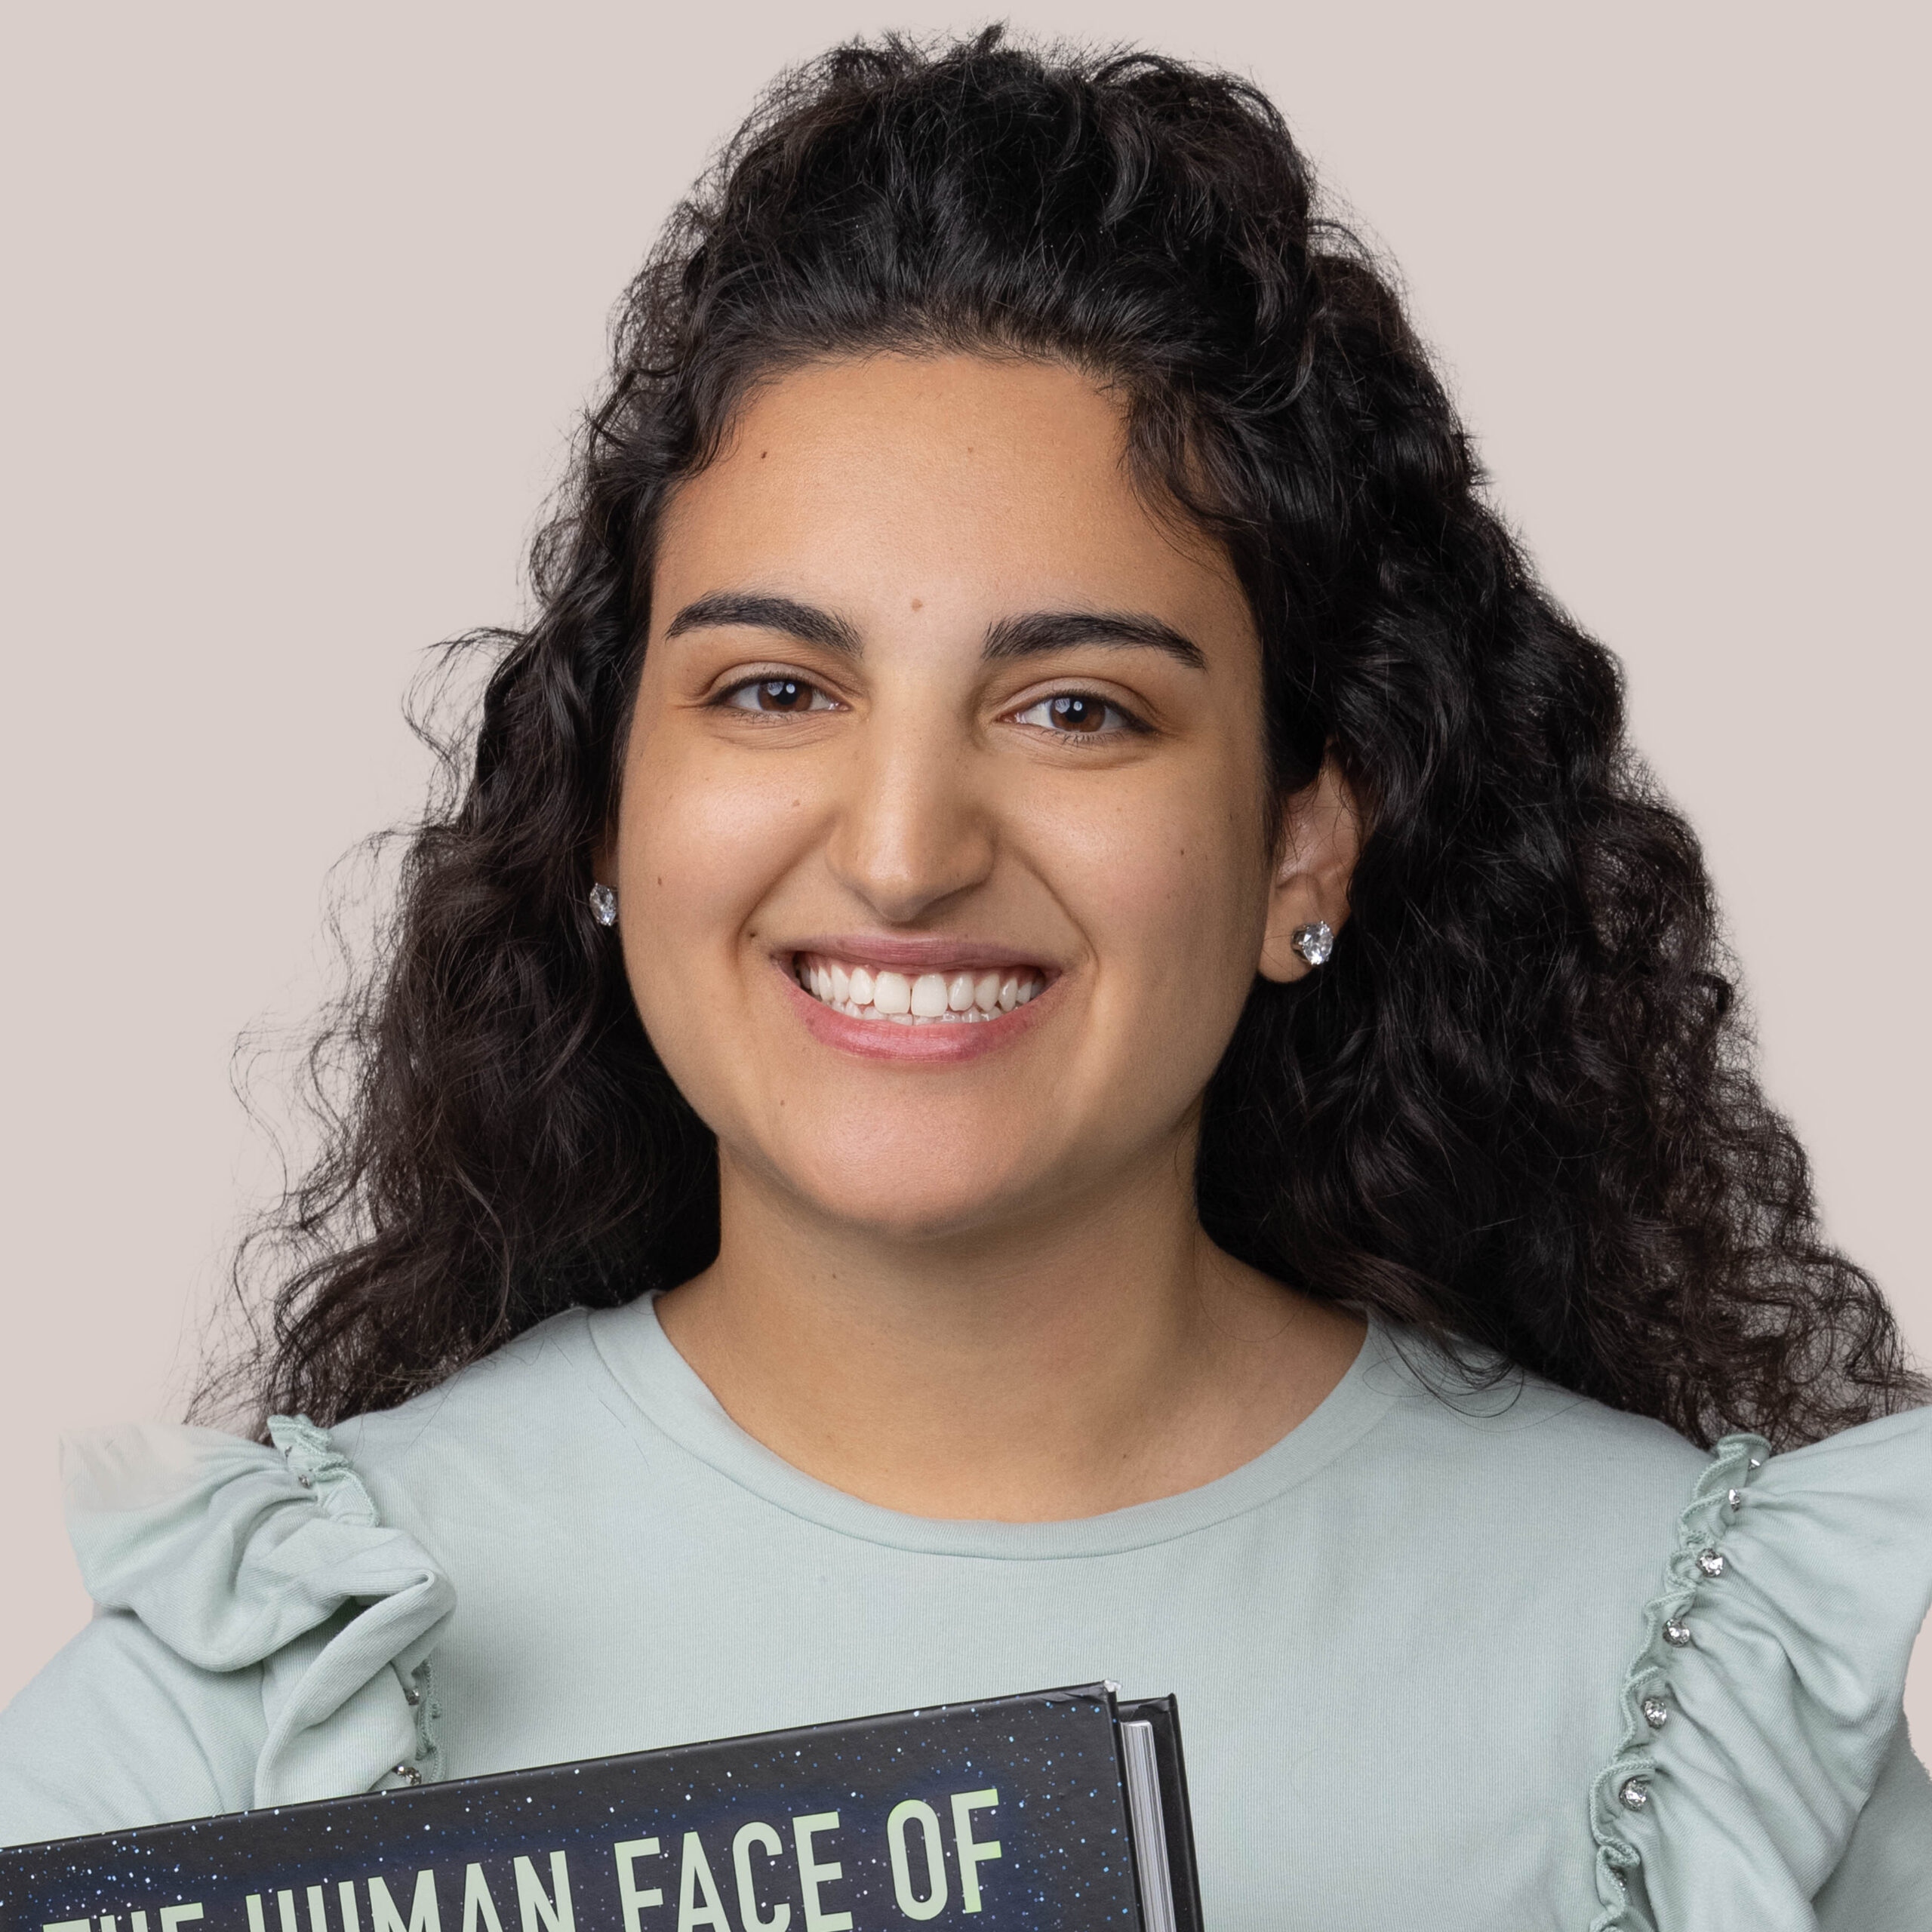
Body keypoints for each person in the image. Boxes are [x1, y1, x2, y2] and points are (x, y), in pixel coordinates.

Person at [3, 28, 1927, 1927]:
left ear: (1298, 851)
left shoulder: (1680, 1676)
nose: (906, 851)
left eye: (1075, 706)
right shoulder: (283, 1679)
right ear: (602, 811)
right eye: (775, 689)